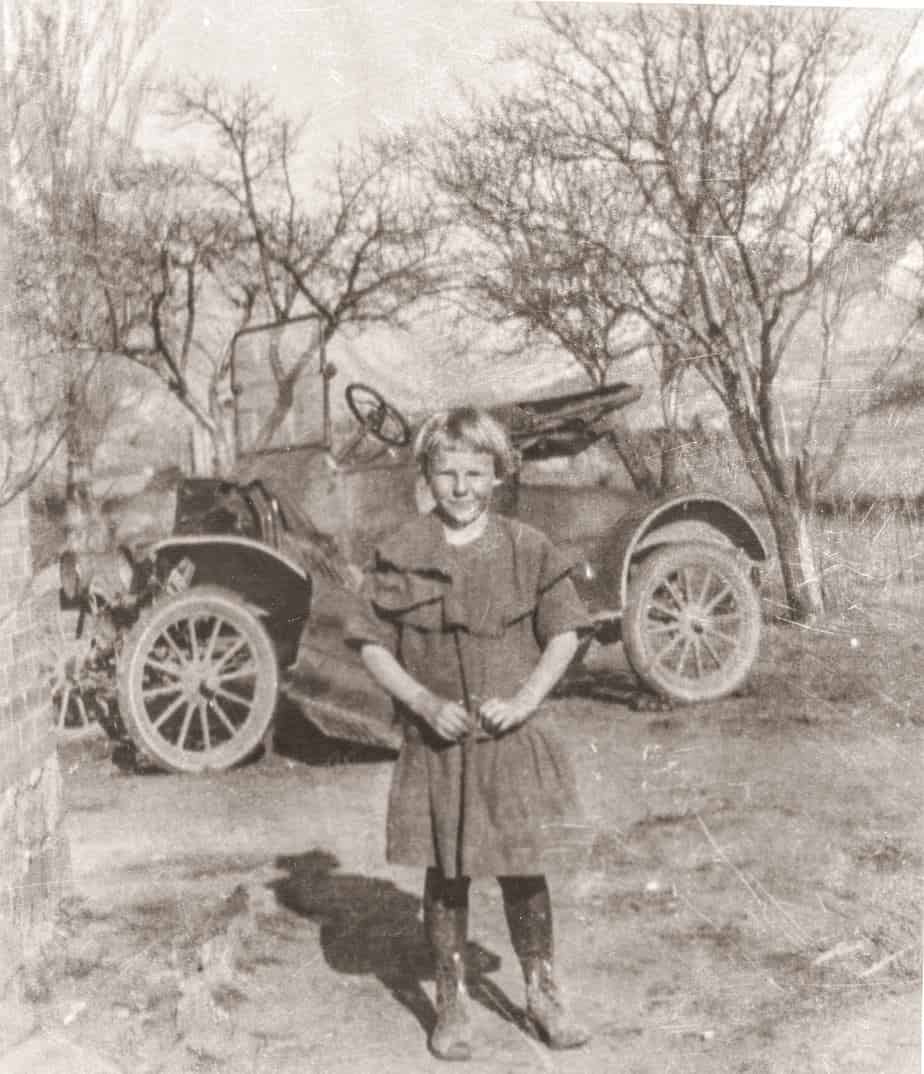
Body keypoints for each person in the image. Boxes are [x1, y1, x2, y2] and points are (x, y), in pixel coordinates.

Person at [345, 406, 592, 1062]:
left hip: (509, 745)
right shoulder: (401, 552)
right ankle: (451, 999)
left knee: (522, 867)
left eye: (475, 473)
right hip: (439, 747)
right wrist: (423, 702)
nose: (460, 487)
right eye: (446, 472)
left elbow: (565, 633)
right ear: (426, 473)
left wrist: (527, 700)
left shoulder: (527, 547)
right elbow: (371, 646)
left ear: (498, 474)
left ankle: (542, 990)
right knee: (447, 872)